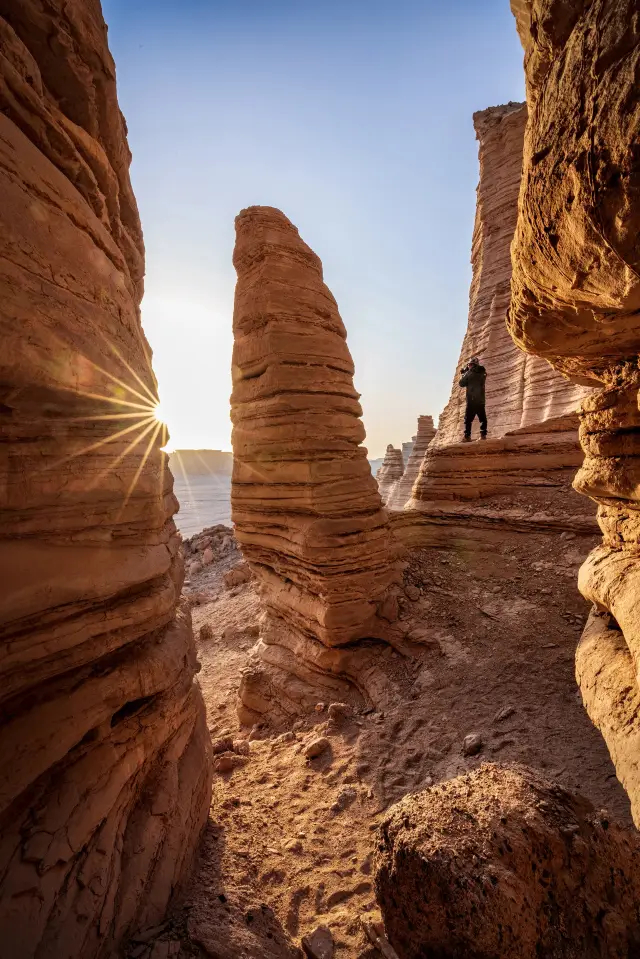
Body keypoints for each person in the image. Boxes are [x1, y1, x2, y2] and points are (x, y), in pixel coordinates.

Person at [459, 356, 487, 441]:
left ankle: (467, 437)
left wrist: (464, 373)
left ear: (472, 365)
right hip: (480, 400)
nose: (468, 366)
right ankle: (483, 436)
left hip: (471, 400)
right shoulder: (483, 373)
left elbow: (461, 383)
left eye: (469, 365)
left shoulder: (469, 373)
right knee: (482, 419)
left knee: (468, 420)